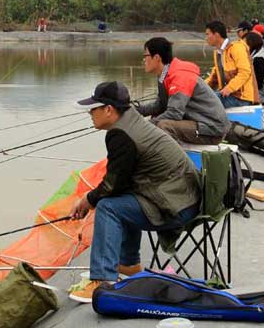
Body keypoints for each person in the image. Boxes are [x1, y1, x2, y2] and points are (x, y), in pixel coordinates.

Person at [69, 81, 201, 303]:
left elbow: (112, 185)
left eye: (93, 109)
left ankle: (101, 280)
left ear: (109, 110)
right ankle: (129, 265)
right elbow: (120, 183)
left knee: (107, 207)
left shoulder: (120, 135)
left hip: (175, 206)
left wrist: (87, 200)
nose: (90, 114)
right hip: (184, 199)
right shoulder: (133, 120)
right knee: (119, 201)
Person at [135, 37, 230, 145]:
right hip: (200, 124)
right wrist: (135, 110)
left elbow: (174, 113)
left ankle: (176, 161)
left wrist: (144, 126)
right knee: (156, 119)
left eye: (145, 56)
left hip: (211, 129)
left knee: (164, 125)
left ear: (157, 57)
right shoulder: (164, 75)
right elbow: (160, 105)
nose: (143, 60)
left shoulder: (180, 77)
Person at [205, 20, 260, 108]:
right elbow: (214, 77)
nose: (206, 38)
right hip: (228, 96)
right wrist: (198, 88)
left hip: (242, 99)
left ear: (216, 35)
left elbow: (245, 72)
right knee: (200, 98)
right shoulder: (218, 53)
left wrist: (229, 88)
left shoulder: (237, 48)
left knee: (204, 103)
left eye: (207, 34)